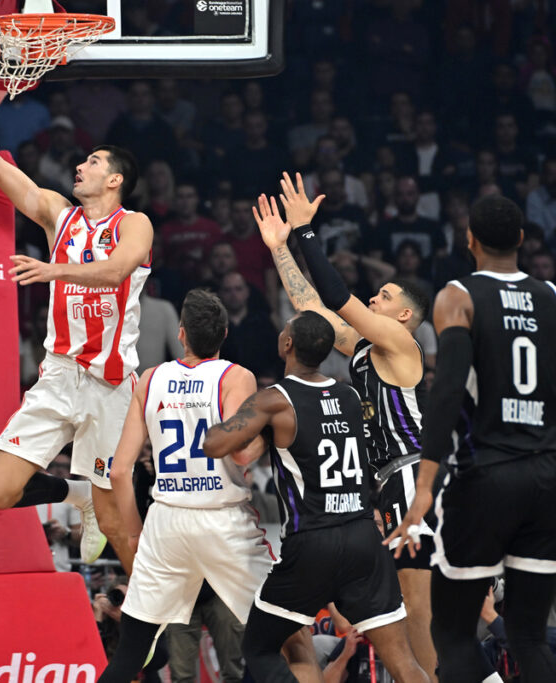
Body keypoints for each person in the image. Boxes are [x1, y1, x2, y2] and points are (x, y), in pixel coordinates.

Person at [0, 50, 154, 570]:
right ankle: (70, 492)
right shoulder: (59, 215)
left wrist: (53, 271)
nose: (81, 166)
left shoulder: (134, 223)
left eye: (94, 163)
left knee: (121, 530)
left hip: (110, 384)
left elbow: (116, 271)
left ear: (115, 180)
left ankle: (157, 627)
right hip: (59, 376)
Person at [254, 174, 438, 680]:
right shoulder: (364, 351)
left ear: (404, 315)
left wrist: (307, 233)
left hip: (409, 473)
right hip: (386, 484)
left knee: (416, 614)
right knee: (409, 612)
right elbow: (311, 309)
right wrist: (280, 248)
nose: (372, 300)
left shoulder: (404, 346)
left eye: (382, 296)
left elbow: (336, 296)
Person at [204, 311, 428, 683]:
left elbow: (217, 444)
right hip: (362, 539)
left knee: (259, 647)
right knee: (404, 662)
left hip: (312, 542)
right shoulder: (350, 395)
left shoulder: (275, 400)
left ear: (287, 344)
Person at [388, 196, 556, 682]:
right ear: (522, 240)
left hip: (486, 477)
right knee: (527, 635)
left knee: (454, 633)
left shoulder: (457, 296)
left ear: (470, 241)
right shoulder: (549, 296)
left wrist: (423, 487)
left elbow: (446, 392)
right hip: (545, 477)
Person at [98, 289, 284, 683]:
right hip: (222, 518)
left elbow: (118, 471)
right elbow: (241, 455)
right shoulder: (237, 377)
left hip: (166, 521)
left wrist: (135, 533)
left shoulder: (150, 379)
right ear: (225, 333)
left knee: (130, 652)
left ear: (181, 334)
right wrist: (268, 435)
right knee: (279, 633)